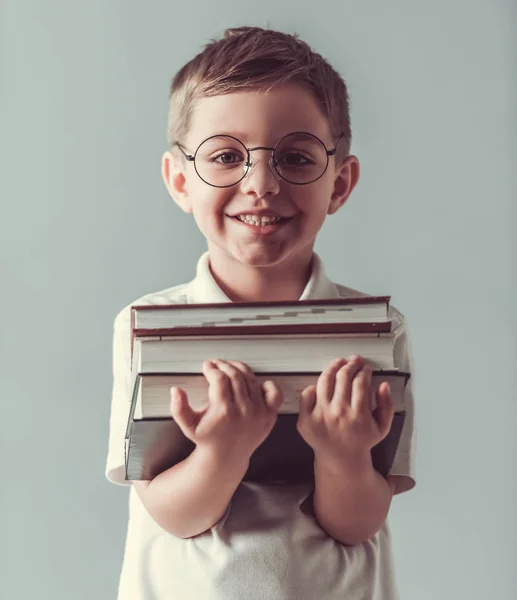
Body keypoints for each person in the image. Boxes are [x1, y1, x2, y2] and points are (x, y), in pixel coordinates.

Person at [105, 25, 417, 600]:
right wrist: (224, 452)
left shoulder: (375, 332)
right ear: (179, 180)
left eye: (296, 157)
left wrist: (342, 454)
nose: (261, 184)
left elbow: (358, 522)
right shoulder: (147, 326)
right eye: (225, 156)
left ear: (340, 183)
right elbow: (169, 512)